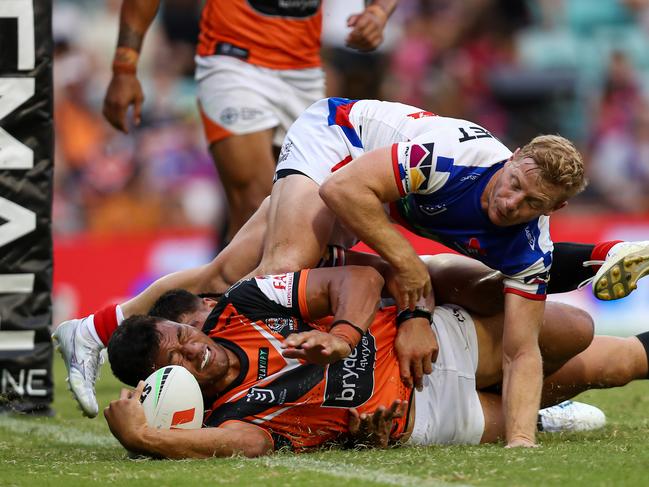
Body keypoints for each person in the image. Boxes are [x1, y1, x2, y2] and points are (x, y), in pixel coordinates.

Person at [103, 264, 649, 458]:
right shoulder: (225, 417)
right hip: (422, 421)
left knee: (585, 334)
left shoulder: (245, 303)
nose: (190, 347)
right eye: (174, 358)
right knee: (608, 372)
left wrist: (343, 333)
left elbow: (359, 278)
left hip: (432, 344)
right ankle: (541, 411)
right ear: (165, 381)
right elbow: (250, 444)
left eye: (179, 334)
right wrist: (147, 439)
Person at [103, 0, 397, 244]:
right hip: (232, 60)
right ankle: (245, 311)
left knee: (312, 208)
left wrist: (379, 11)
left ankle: (242, 299)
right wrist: (124, 68)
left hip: (304, 70)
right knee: (258, 203)